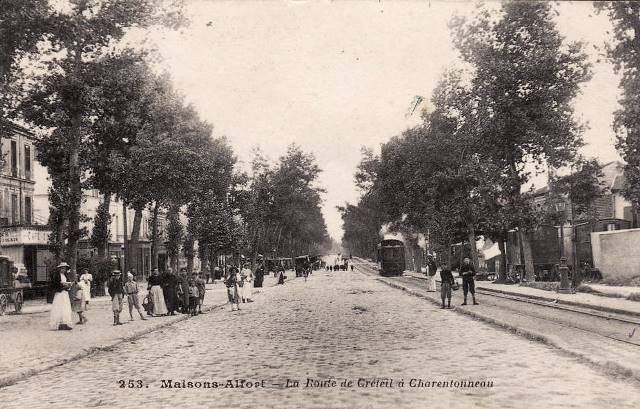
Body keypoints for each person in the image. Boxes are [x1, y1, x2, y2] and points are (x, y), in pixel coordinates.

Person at [49, 262, 73, 330]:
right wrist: (62, 285)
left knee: (65, 307)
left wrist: (68, 285)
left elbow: (68, 283)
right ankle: (57, 324)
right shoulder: (57, 276)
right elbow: (55, 284)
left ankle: (64, 323)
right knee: (58, 307)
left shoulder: (65, 276)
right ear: (59, 269)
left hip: (65, 293)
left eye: (65, 268)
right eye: (62, 268)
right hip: (59, 293)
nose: (63, 270)